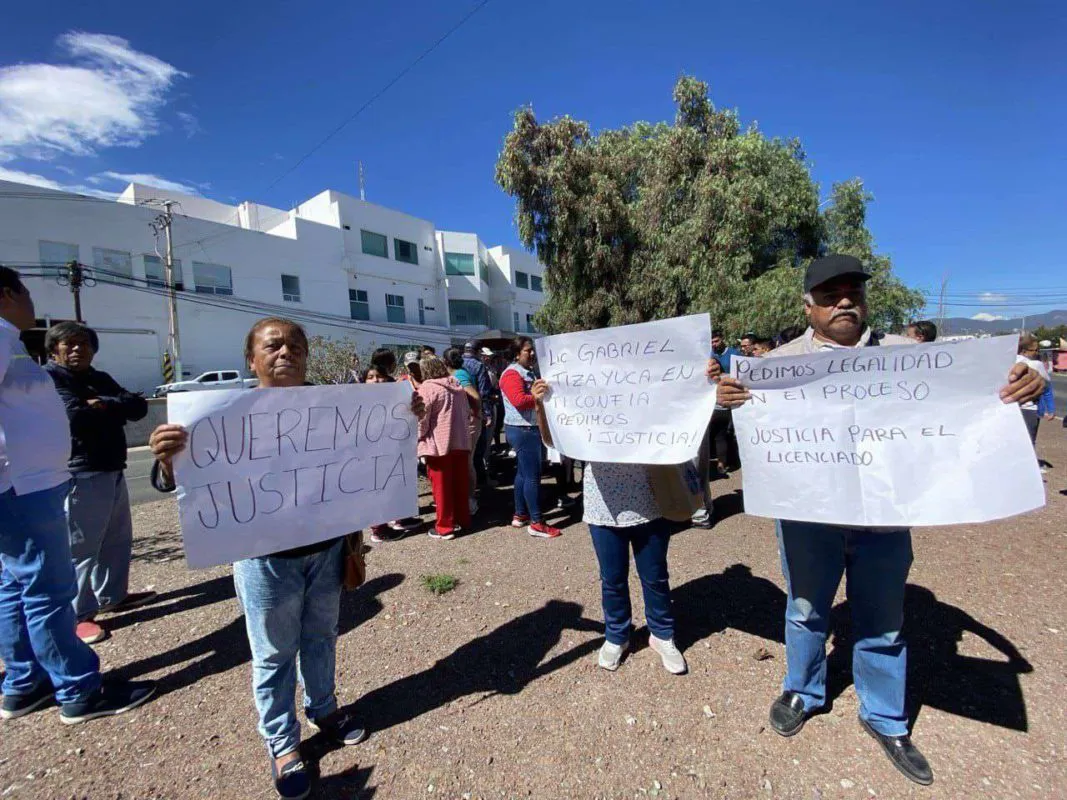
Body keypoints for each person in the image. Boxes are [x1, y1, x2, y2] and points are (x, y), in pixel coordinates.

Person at [715, 254, 1045, 786]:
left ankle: (886, 716)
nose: (844, 301)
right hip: (808, 521)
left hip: (886, 522)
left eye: (853, 292)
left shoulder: (909, 356)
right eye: (829, 294)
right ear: (808, 306)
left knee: (884, 620)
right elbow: (732, 410)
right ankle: (804, 689)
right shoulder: (778, 364)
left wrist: (1023, 377)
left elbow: (976, 388)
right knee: (804, 609)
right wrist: (726, 397)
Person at [148, 318, 388, 799]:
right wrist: (165, 458)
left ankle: (324, 708)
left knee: (321, 636)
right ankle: (283, 745)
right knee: (274, 655)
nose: (287, 352)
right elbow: (182, 484)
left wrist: (405, 418)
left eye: (296, 345)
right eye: (273, 345)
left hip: (324, 552)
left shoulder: (334, 408)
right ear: (251, 359)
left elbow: (371, 455)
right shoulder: (216, 416)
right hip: (264, 561)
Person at [0, 266, 156, 725]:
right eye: (26, 292)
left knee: (17, 584)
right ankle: (78, 691)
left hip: (27, 484)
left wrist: (102, 407)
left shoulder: (11, 343)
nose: (32, 302)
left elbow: (132, 404)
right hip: (21, 486)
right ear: (8, 292)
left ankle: (24, 683)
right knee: (49, 588)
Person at [532, 379, 686, 674]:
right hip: (603, 507)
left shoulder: (648, 395)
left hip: (650, 502)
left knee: (655, 576)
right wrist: (541, 404)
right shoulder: (586, 404)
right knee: (612, 578)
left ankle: (662, 635)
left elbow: (683, 418)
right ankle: (617, 635)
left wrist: (701, 381)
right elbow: (554, 441)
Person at [43, 322, 156, 645]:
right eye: (70, 344)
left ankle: (113, 596)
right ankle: (77, 615)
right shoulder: (51, 378)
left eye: (84, 344)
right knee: (81, 548)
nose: (78, 349)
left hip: (111, 467)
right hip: (80, 471)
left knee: (116, 539)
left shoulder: (98, 378)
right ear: (54, 350)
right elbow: (74, 417)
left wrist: (102, 403)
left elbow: (138, 407)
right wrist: (109, 406)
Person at [500, 337, 561, 539]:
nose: (532, 353)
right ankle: (537, 522)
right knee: (533, 476)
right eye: (528, 351)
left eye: (532, 350)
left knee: (523, 474)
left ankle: (520, 514)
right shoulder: (511, 373)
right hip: (523, 430)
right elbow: (518, 400)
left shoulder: (527, 372)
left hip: (526, 428)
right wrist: (537, 397)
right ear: (517, 354)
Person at [415, 356, 473, 540]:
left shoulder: (428, 388)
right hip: (461, 442)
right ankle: (463, 520)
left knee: (441, 489)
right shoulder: (457, 385)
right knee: (459, 485)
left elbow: (422, 419)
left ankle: (444, 527)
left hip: (439, 446)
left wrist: (417, 437)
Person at [692, 328, 740, 529]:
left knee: (696, 466)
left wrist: (717, 374)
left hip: (696, 418)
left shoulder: (709, 361)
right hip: (667, 421)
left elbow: (725, 382)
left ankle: (701, 512)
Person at [444, 348, 484, 516]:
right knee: (467, 461)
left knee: (467, 462)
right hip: (470, 421)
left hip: (469, 423)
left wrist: (473, 414)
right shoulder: (462, 372)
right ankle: (468, 498)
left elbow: (474, 396)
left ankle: (470, 500)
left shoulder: (458, 375)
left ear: (446, 363)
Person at [463, 341, 494, 487]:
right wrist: (487, 414)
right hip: (475, 412)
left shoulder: (455, 364)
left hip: (458, 412)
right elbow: (484, 392)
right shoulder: (479, 365)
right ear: (477, 351)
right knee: (479, 449)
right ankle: (480, 481)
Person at [1017, 335, 1049, 466]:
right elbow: (1047, 384)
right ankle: (1028, 466)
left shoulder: (1007, 361)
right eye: (1034, 350)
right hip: (1029, 408)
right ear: (1024, 351)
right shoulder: (1036, 364)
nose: (1037, 353)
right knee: (1029, 439)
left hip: (1011, 407)